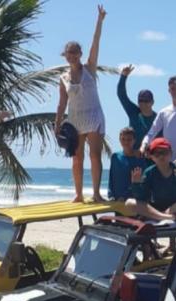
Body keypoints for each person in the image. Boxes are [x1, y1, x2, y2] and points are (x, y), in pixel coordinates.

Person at [55, 4, 107, 203]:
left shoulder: (90, 68)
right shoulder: (63, 77)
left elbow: (96, 42)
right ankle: (78, 194)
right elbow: (61, 104)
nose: (73, 55)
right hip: (75, 119)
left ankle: (96, 193)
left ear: (80, 54)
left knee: (95, 155)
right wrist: (57, 123)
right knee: (77, 158)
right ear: (65, 56)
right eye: (69, 53)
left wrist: (99, 20)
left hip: (94, 116)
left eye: (75, 52)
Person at [126, 137, 176, 222]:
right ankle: (167, 217)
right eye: (157, 153)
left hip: (173, 208)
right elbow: (142, 198)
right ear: (151, 156)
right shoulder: (149, 172)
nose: (161, 156)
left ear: (171, 153)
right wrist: (136, 184)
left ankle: (162, 216)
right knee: (129, 203)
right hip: (156, 208)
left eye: (164, 152)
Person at [117, 65, 157, 149]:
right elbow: (122, 95)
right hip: (134, 157)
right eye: (141, 101)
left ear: (152, 102)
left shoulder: (158, 118)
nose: (143, 104)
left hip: (151, 158)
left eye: (146, 101)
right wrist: (123, 76)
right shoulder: (134, 112)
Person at [108, 127, 146, 201]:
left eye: (129, 139)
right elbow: (111, 178)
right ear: (119, 140)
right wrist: (110, 195)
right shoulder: (115, 157)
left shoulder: (139, 158)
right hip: (116, 200)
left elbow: (140, 182)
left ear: (134, 140)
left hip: (133, 200)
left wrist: (125, 196)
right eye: (123, 139)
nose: (126, 142)